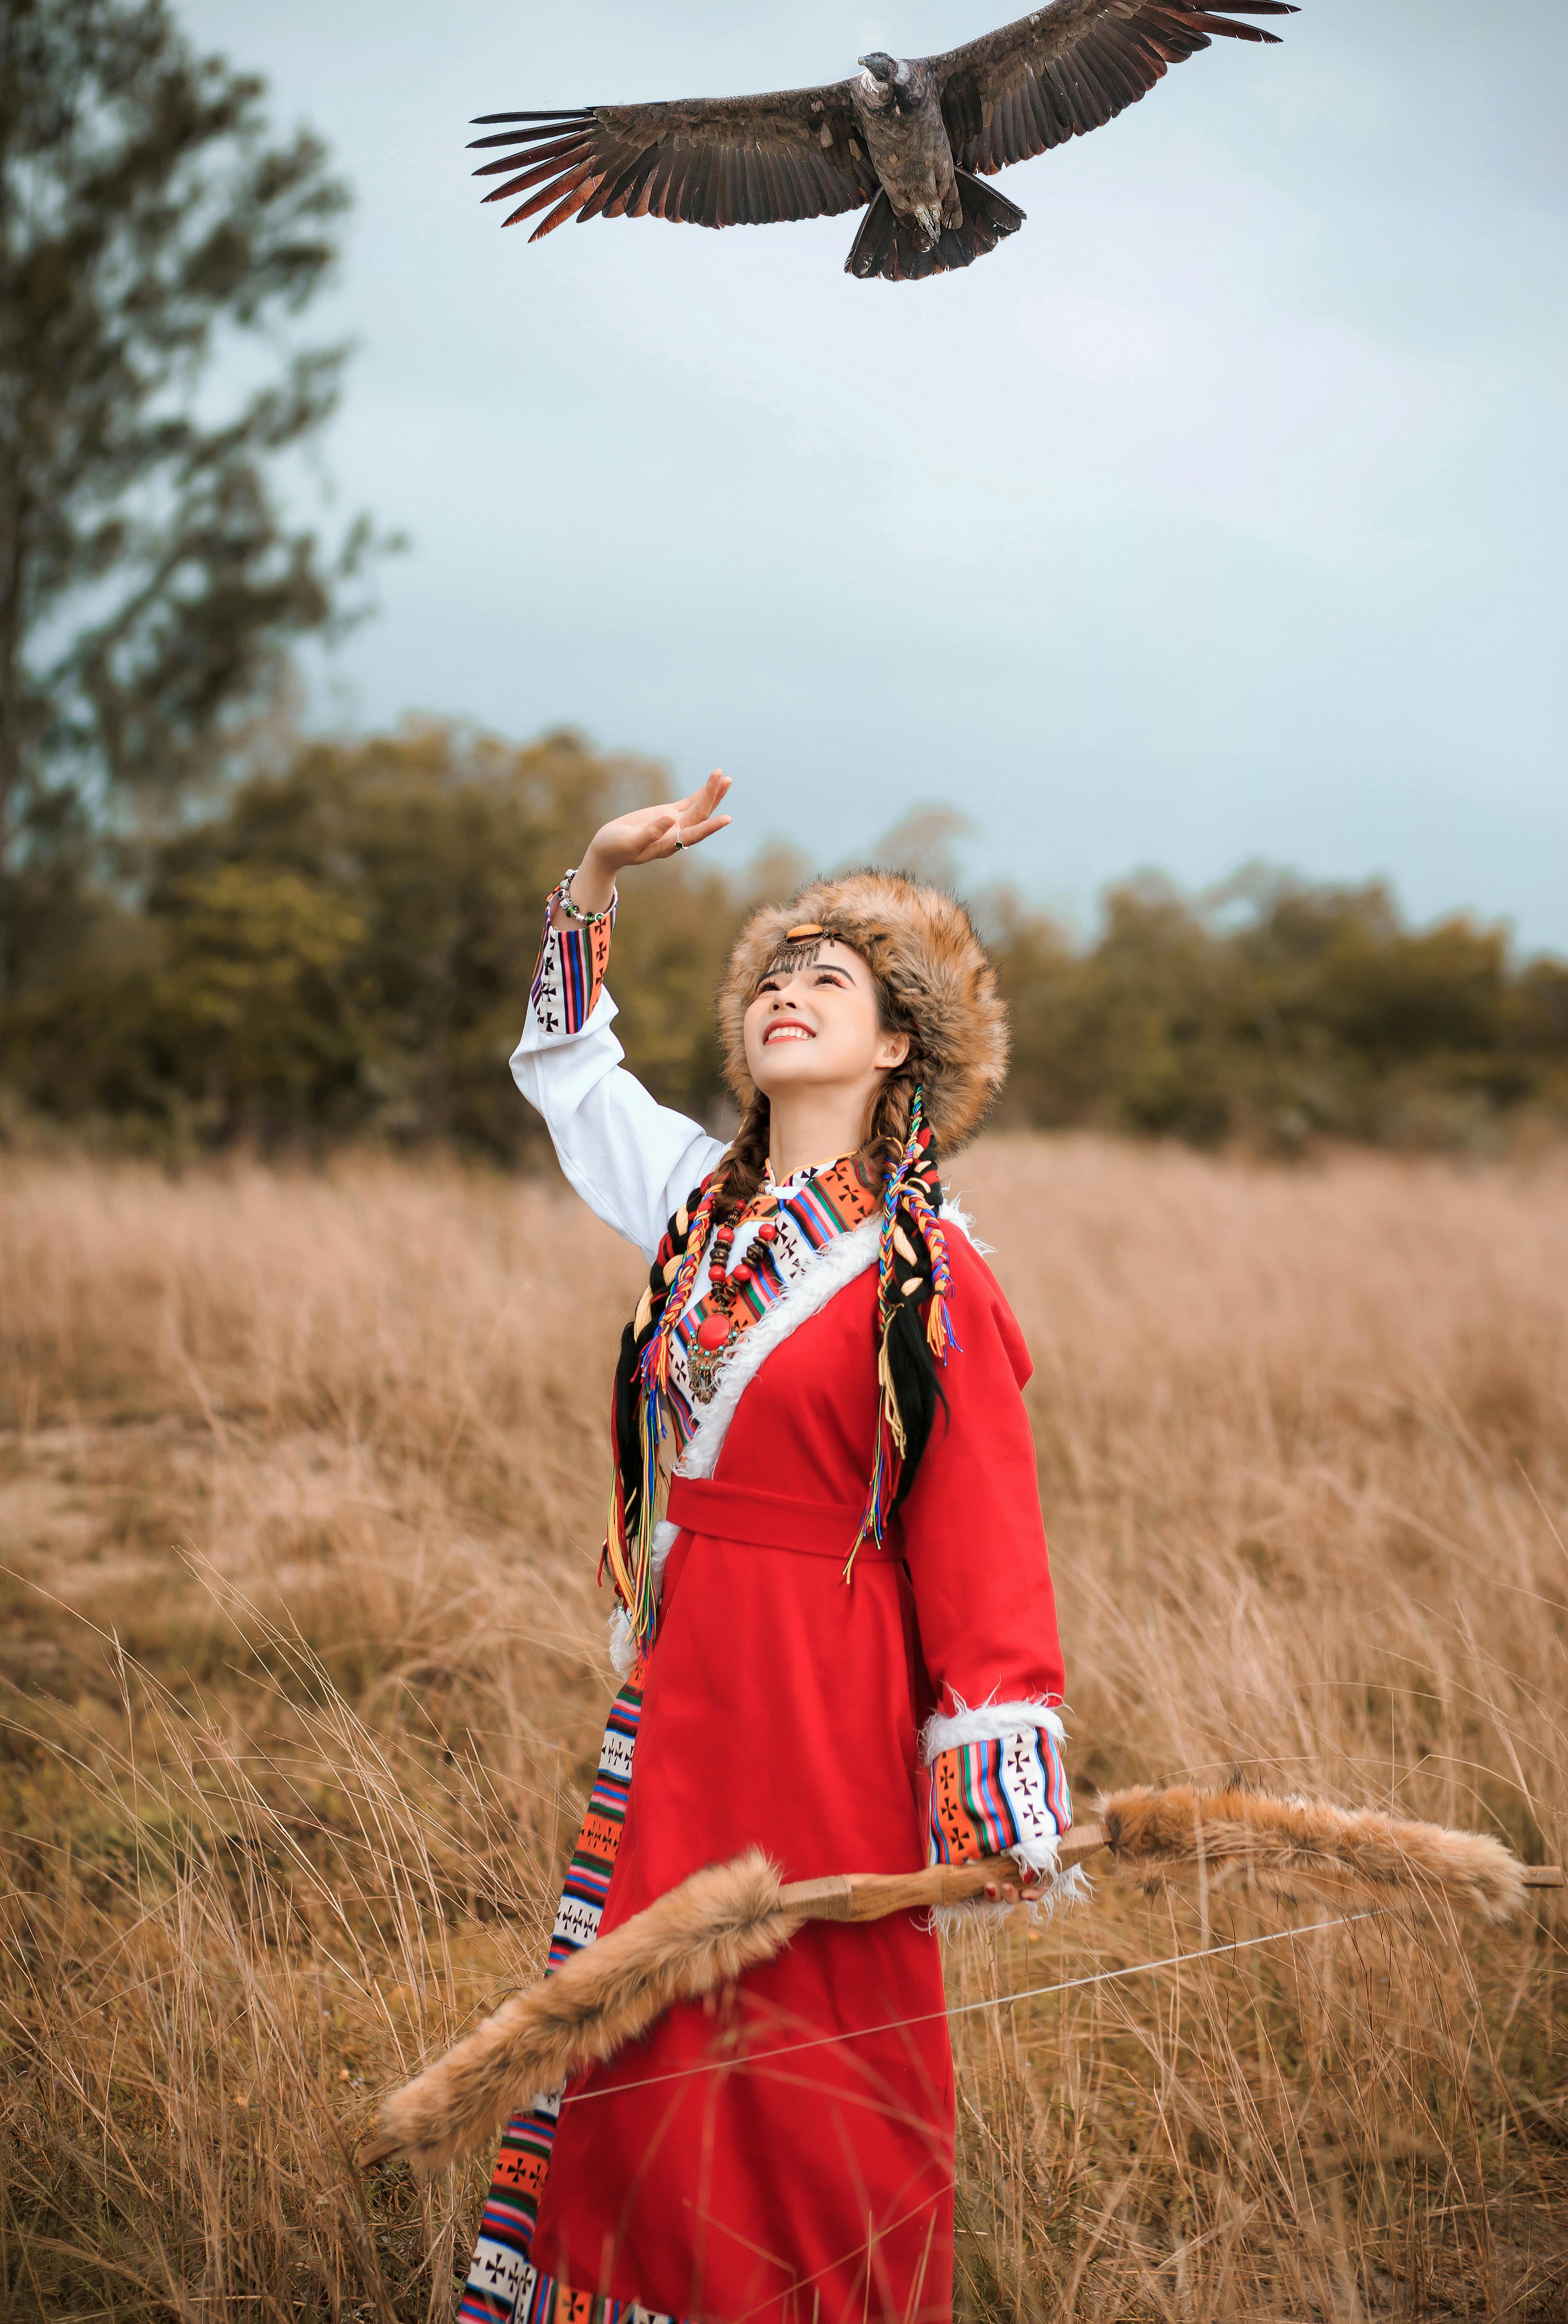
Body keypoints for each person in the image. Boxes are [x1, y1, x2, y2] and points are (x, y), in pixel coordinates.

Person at [461, 772, 1076, 2324]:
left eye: (835, 981)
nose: (791, 993)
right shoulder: (698, 1210)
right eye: (775, 976)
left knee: (812, 2026)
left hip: (826, 1692)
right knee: (644, 2010)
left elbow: (984, 1527)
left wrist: (993, 1767)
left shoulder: (930, 1273)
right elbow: (567, 1067)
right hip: (683, 1679)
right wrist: (599, 873)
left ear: (895, 1050)